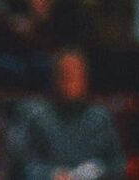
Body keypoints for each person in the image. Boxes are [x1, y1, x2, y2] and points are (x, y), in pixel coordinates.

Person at [8, 48, 126, 180]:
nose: (70, 80)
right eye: (64, 74)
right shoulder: (31, 113)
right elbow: (19, 163)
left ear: (85, 79)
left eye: (76, 74)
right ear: (53, 77)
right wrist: (50, 174)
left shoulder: (99, 117)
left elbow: (117, 164)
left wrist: (97, 170)